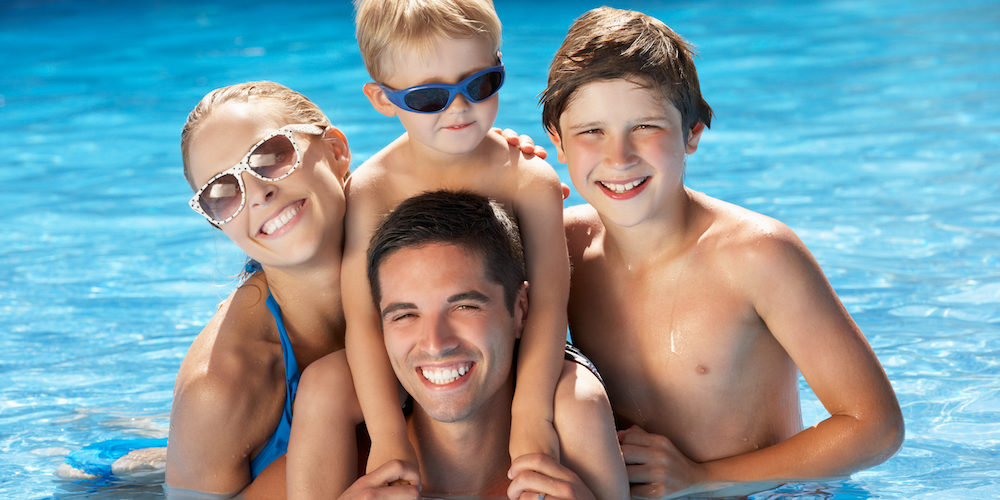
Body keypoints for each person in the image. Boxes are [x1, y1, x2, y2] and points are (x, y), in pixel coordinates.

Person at [540, 7, 905, 498]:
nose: (618, 157)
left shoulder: (756, 256)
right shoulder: (563, 247)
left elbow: (876, 426)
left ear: (692, 132)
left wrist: (701, 477)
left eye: (645, 126)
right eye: (591, 131)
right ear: (558, 141)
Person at [341, 0, 571, 485]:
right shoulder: (372, 188)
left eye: (480, 84)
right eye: (430, 98)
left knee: (581, 401)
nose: (460, 108)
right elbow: (362, 319)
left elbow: (549, 306)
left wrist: (532, 418)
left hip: (514, 358)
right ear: (382, 99)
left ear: (499, 66)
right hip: (422, 363)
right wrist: (387, 436)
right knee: (323, 389)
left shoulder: (529, 180)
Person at [293, 190, 628, 499]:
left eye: (464, 307)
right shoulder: (347, 462)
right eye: (405, 315)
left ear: (520, 309)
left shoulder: (576, 426)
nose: (436, 344)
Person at [165, 81, 360, 498]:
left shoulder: (424, 244)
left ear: (336, 151)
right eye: (222, 192)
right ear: (219, 223)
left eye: (271, 156)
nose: (258, 194)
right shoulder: (219, 389)